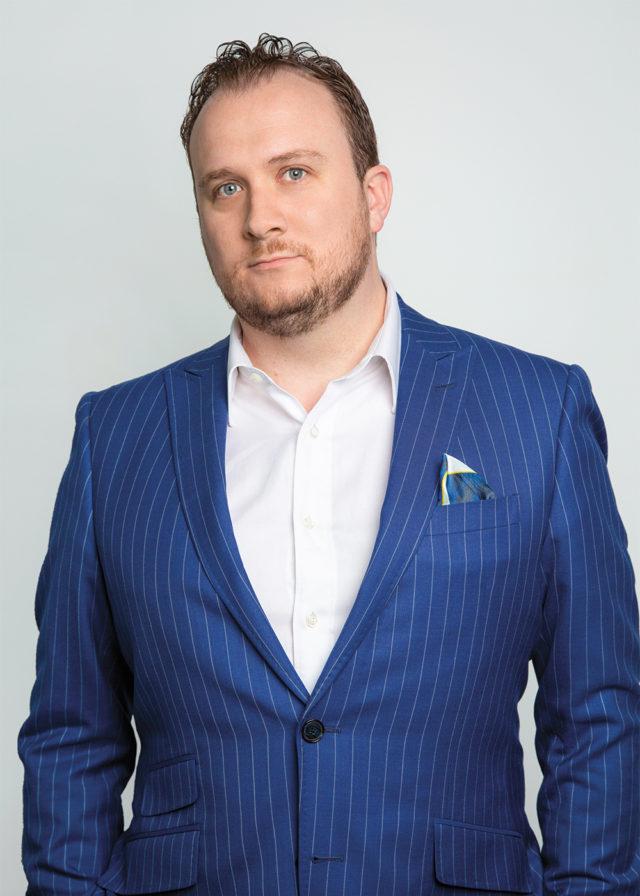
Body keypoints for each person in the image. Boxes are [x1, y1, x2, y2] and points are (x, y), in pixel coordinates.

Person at [17, 32, 640, 896]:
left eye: (294, 172)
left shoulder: (538, 412)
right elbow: (71, 739)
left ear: (374, 196)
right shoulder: (113, 438)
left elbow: (599, 720)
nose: (259, 218)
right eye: (225, 187)